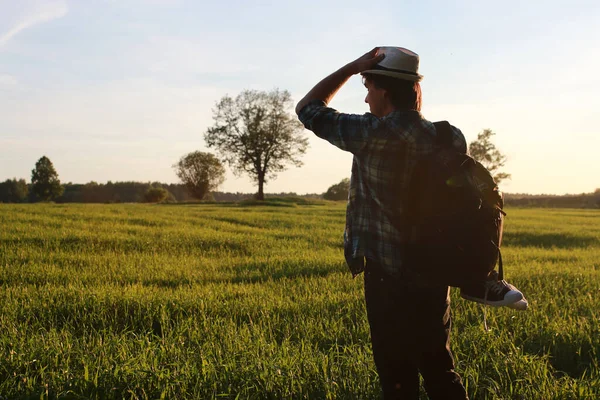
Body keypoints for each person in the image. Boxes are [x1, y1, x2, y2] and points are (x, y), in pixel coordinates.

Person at [296, 47, 526, 399]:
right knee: (438, 365)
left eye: (369, 88)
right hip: (436, 269)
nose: (366, 97)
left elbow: (309, 109)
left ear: (384, 92)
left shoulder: (370, 133)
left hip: (387, 274)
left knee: (396, 374)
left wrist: (352, 67)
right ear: (416, 91)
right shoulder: (449, 137)